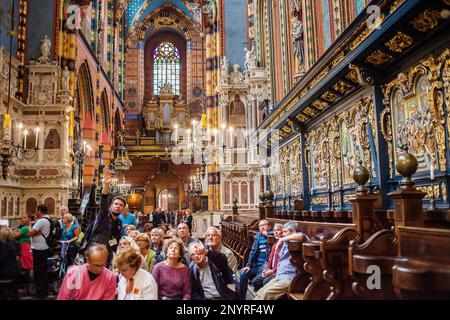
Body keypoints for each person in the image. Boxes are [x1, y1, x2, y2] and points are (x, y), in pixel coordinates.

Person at [254, 222, 307, 300]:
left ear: (292, 232)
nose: (283, 234)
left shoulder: (295, 240)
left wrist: (282, 239)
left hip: (289, 278)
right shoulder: (286, 242)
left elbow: (302, 236)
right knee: (260, 293)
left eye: (285, 232)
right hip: (279, 276)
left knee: (265, 295)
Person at [85, 166, 125, 265]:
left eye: (121, 205)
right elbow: (104, 200)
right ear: (111, 206)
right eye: (116, 204)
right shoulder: (104, 215)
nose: (118, 206)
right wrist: (106, 186)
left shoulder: (119, 222)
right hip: (95, 252)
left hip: (108, 255)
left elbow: (115, 239)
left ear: (123, 209)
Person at [237, 219, 272, 300]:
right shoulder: (258, 236)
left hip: (266, 266)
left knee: (262, 272)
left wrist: (268, 235)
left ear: (269, 226)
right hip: (257, 267)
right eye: (260, 226)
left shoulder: (273, 235)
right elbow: (253, 252)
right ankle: (242, 298)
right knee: (243, 274)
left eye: (264, 225)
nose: (262, 227)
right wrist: (248, 266)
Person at [28, 204, 51, 299]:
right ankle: (43, 291)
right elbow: (35, 233)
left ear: (40, 211)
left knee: (39, 271)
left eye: (36, 210)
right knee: (42, 271)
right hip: (44, 248)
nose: (35, 212)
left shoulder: (41, 221)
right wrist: (36, 232)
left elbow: (30, 233)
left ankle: (40, 293)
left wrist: (30, 224)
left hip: (39, 249)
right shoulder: (48, 219)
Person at [252, 223, 284, 291]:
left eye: (278, 230)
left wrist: (272, 271)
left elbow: (281, 263)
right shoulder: (275, 244)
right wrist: (267, 268)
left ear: (283, 232)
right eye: (274, 230)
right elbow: (270, 259)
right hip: (270, 269)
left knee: (265, 282)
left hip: (277, 271)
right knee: (255, 282)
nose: (275, 232)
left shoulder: (284, 245)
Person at [0, 227, 20, 299]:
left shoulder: (5, 245)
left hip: (6, 272)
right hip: (14, 271)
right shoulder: (13, 244)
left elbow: (1, 259)